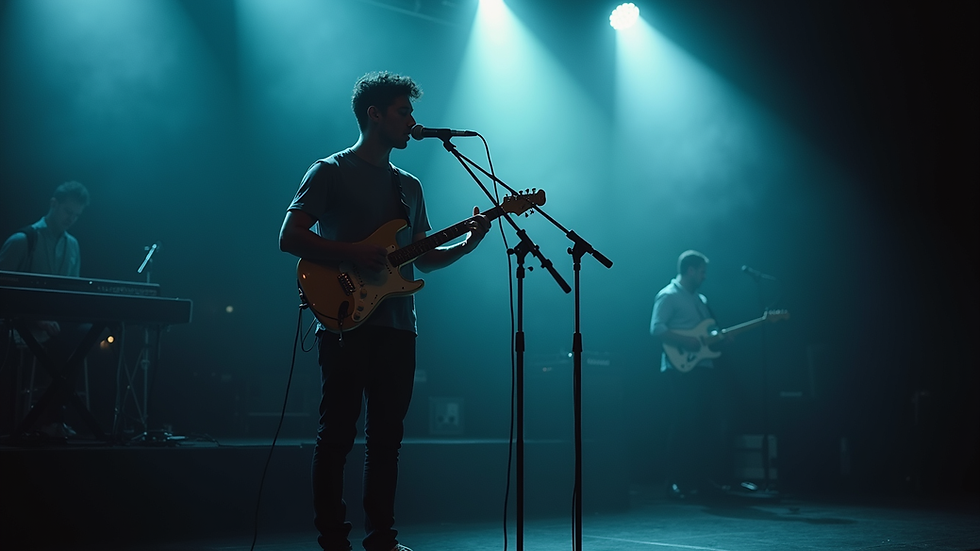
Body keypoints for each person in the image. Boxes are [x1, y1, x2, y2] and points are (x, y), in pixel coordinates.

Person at [278, 72, 490, 551]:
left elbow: (423, 258)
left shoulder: (409, 186)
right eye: (403, 112)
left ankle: (382, 539)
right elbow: (288, 238)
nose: (413, 122)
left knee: (387, 441)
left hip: (398, 326)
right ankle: (333, 538)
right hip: (344, 320)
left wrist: (467, 244)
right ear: (374, 114)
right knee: (336, 436)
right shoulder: (329, 170)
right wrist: (352, 250)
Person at [0, 180, 91, 438]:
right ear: (54, 204)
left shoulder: (73, 245)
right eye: (67, 212)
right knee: (66, 345)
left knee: (85, 335)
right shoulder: (23, 240)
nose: (71, 219)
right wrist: (36, 319)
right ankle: (47, 419)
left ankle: (54, 418)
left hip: (54, 327)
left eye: (76, 215)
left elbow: (71, 296)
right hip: (18, 328)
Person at [649, 250, 732, 499]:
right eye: (703, 271)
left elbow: (708, 333)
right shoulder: (669, 295)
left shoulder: (701, 300)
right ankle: (675, 481)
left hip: (704, 368)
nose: (705, 277)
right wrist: (687, 341)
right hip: (680, 368)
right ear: (691, 270)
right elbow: (656, 328)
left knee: (706, 425)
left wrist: (722, 338)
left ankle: (702, 479)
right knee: (683, 424)